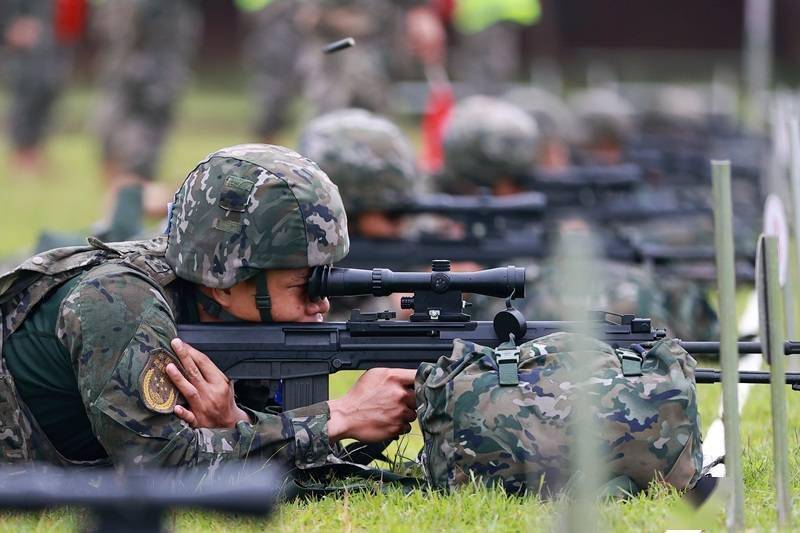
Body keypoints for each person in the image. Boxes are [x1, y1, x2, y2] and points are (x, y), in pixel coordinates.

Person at [0, 144, 416, 468]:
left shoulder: (216, 306)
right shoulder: (119, 303)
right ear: (222, 282)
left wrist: (237, 423)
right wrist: (339, 417)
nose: (321, 303)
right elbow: (160, 466)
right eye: (301, 286)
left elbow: (234, 452)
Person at [2, 0, 81, 173]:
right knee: (26, 93)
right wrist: (10, 23)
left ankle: (35, 151)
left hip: (48, 33)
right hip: (23, 33)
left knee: (46, 90)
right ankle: (21, 156)